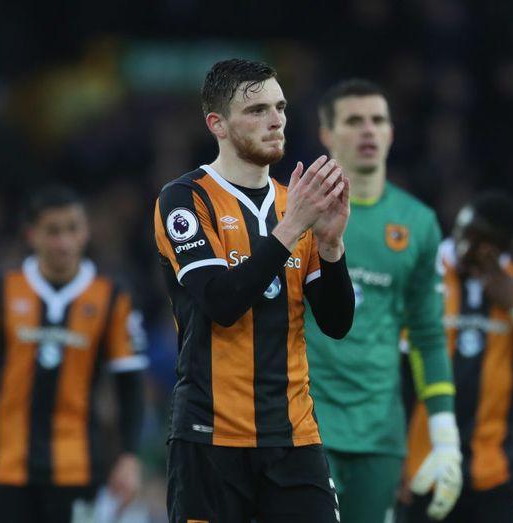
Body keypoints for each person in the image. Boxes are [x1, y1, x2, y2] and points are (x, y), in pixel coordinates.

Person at [153, 58, 355, 523]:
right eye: (257, 110)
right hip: (210, 436)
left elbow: (336, 323)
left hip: (293, 437)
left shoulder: (294, 204)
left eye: (280, 107)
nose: (276, 120)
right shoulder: (185, 199)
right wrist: (292, 228)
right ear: (218, 125)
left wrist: (331, 246)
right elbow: (221, 302)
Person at [304, 78, 462, 522]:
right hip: (306, 426)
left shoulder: (418, 223)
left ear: (391, 133)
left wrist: (444, 433)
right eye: (354, 121)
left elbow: (428, 334)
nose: (368, 130)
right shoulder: (295, 214)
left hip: (380, 435)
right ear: (327, 134)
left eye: (377, 120)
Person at [0, 186, 148, 523]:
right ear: (31, 234)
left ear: (85, 232)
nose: (64, 242)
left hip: (77, 467)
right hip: (6, 465)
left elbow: (130, 382)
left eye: (72, 229)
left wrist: (129, 456)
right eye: (53, 231)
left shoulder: (112, 297)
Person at [404, 191, 513, 522]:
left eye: (485, 244)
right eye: (465, 235)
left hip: (495, 473)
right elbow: (392, 369)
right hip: (423, 472)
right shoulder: (420, 271)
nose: (468, 249)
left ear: (504, 248)